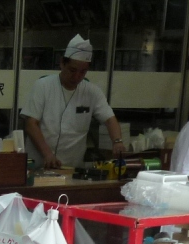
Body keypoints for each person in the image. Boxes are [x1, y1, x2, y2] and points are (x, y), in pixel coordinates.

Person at [22, 35, 125, 170]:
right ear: (62, 63)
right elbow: (31, 124)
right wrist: (47, 154)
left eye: (83, 72)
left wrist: (117, 141)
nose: (77, 77)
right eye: (72, 70)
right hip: (39, 165)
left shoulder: (92, 92)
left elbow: (110, 119)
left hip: (71, 168)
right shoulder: (43, 86)